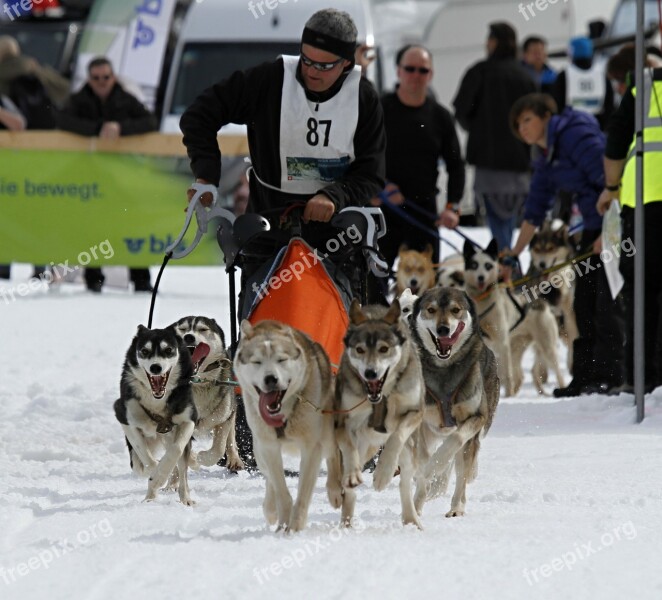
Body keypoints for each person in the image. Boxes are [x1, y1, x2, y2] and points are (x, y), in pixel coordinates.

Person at [180, 8, 385, 468]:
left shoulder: (364, 98)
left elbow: (372, 173)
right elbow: (200, 114)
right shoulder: (270, 79)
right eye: (306, 60)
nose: (311, 71)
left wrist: (335, 194)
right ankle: (251, 440)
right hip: (269, 221)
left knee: (338, 315)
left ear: (347, 65)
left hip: (332, 232)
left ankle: (351, 422)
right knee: (262, 316)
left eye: (324, 65)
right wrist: (207, 175)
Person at [506, 93, 625, 397]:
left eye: (527, 120)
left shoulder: (574, 133)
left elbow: (609, 179)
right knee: (582, 305)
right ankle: (584, 376)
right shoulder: (547, 155)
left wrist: (607, 234)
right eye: (518, 125)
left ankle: (612, 375)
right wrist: (515, 252)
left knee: (605, 304)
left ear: (547, 115)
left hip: (613, 224)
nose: (523, 129)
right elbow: (535, 207)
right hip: (592, 227)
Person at [58, 57, 158, 293]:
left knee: (132, 224)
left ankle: (141, 278)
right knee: (93, 226)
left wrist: (120, 129)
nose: (102, 82)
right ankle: (93, 279)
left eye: (106, 77)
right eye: (96, 78)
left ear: (113, 77)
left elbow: (150, 122)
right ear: (89, 80)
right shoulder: (79, 100)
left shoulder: (125, 98)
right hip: (90, 176)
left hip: (124, 174)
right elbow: (62, 120)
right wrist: (96, 130)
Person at [595, 63, 662, 394]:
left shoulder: (644, 87)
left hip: (646, 204)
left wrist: (610, 188)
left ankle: (641, 376)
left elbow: (615, 145)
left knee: (643, 290)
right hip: (644, 202)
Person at [370, 44, 465, 269]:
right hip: (382, 211)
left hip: (422, 213)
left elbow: (456, 166)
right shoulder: (378, 110)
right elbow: (360, 155)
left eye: (422, 70)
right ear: (398, 71)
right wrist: (377, 188)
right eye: (410, 69)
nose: (416, 75)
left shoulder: (441, 117)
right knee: (373, 289)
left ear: (430, 74)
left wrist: (452, 207)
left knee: (424, 295)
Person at [453, 22, 537, 251]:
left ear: (493, 42)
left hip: (487, 164)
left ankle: (505, 264)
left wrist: (479, 130)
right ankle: (508, 262)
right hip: (520, 165)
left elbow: (461, 110)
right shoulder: (526, 77)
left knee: (497, 225)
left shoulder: (479, 72)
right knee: (509, 223)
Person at [0, 35, 69, 129]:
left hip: (16, 129)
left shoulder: (3, 74)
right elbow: (65, 88)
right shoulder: (37, 68)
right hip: (48, 126)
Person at [551, 36, 614, 130]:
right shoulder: (602, 74)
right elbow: (610, 105)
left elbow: (556, 102)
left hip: (570, 127)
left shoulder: (564, 75)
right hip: (597, 128)